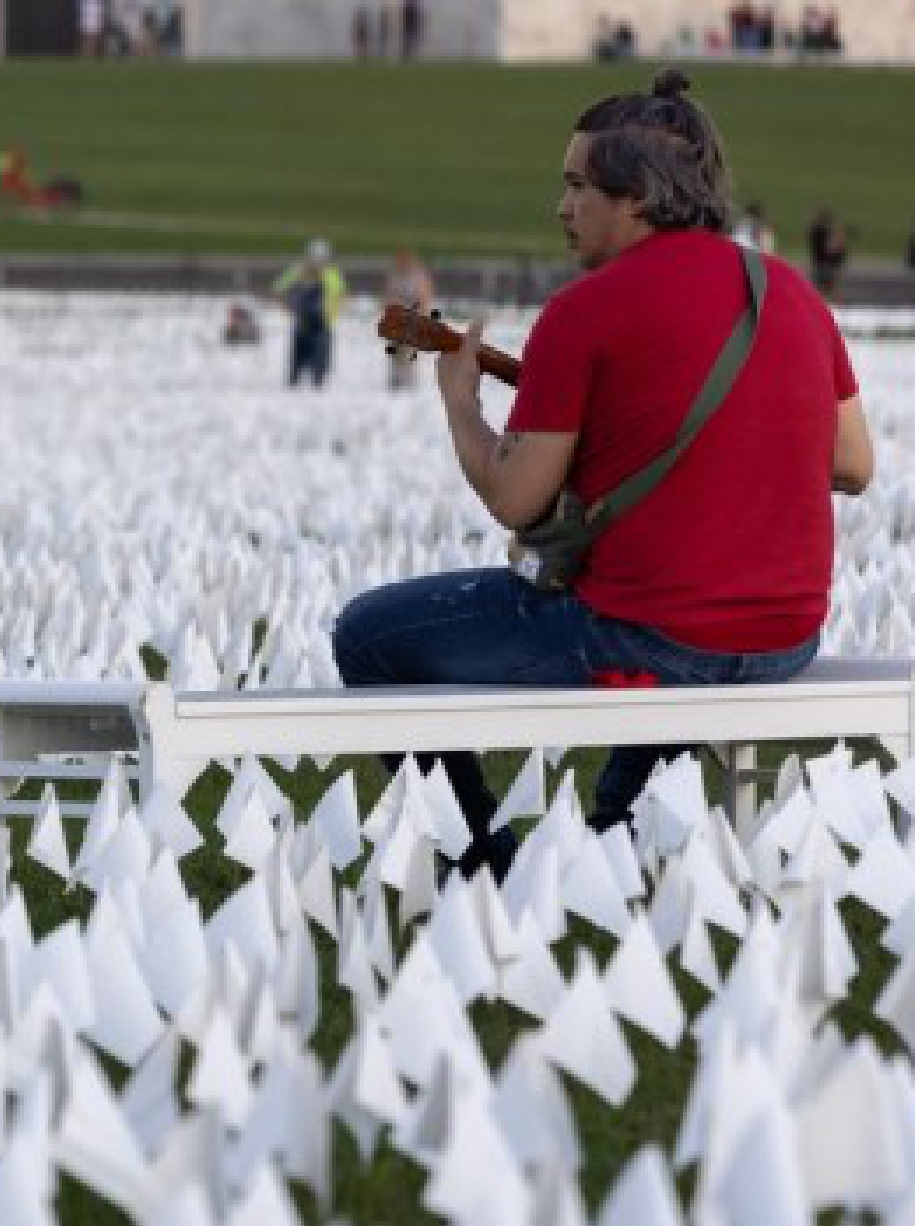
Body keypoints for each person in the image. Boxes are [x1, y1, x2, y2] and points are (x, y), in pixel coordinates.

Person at [331, 67, 873, 877]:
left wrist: (461, 405)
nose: (563, 206)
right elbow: (854, 465)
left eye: (579, 185)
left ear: (639, 196)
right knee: (666, 610)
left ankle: (486, 857)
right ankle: (617, 827)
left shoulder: (584, 312)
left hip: (653, 637)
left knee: (369, 636)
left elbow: (518, 499)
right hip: (786, 635)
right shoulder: (788, 292)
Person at [272, 238, 347, 388]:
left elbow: (341, 296)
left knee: (320, 360)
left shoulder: (332, 274)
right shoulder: (297, 271)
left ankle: (316, 383)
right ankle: (294, 383)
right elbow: (278, 290)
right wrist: (288, 308)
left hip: (322, 322)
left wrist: (331, 314)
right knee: (298, 358)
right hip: (303, 320)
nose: (317, 263)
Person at [384, 247, 437, 391]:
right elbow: (389, 297)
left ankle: (408, 379)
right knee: (395, 351)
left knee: (409, 350)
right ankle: (396, 378)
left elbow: (425, 298)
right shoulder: (395, 276)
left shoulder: (419, 277)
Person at [806, 207, 849, 298]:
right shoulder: (822, 232)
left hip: (820, 263)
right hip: (826, 264)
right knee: (828, 288)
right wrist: (840, 241)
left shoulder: (816, 230)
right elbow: (830, 248)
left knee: (820, 289)